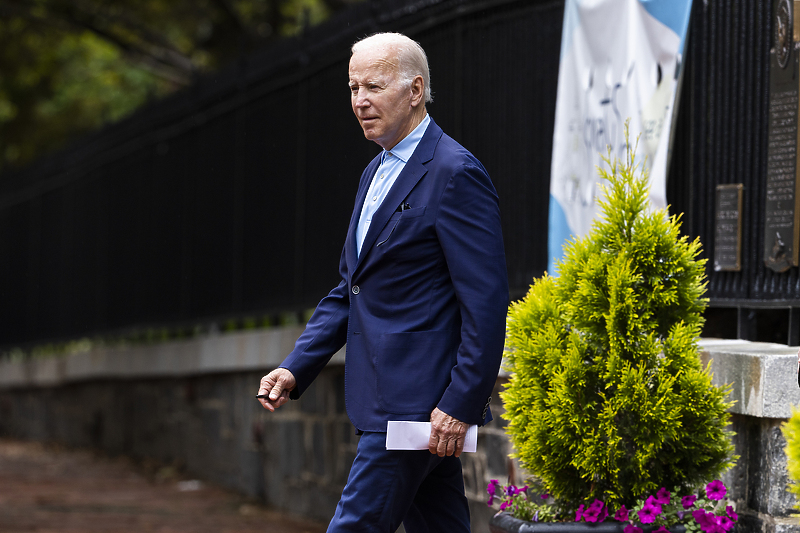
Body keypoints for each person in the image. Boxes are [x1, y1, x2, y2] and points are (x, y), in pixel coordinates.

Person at [257, 32, 508, 533]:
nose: (359, 101)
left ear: (415, 90)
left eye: (373, 86)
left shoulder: (455, 173)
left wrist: (460, 404)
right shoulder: (375, 171)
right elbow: (352, 288)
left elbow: (486, 301)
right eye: (352, 88)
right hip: (387, 402)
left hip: (417, 408)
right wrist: (295, 367)